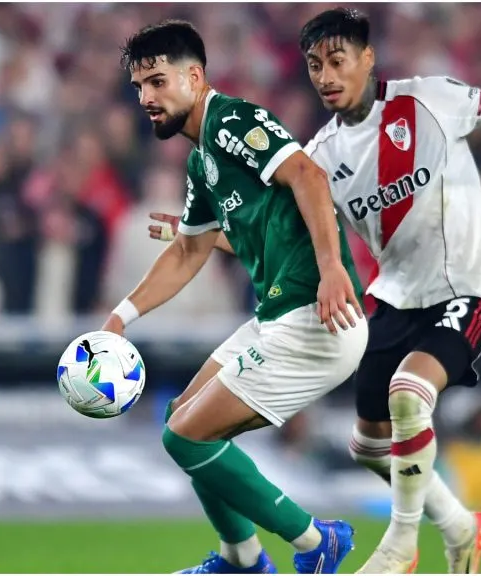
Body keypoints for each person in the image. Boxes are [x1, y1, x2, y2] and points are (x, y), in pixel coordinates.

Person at [149, 8, 481, 574]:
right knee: (368, 446)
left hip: (467, 290)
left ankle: (400, 548)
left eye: (338, 61)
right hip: (394, 298)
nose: (326, 76)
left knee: (409, 394)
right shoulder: (321, 155)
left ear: (368, 58)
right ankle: (462, 525)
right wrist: (201, 237)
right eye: (314, 66)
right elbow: (279, 240)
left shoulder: (433, 99)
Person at [101, 20, 368, 575]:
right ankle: (241, 558)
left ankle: (317, 540)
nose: (146, 98)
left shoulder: (233, 122)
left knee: (184, 438)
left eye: (156, 81)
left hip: (316, 316)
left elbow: (310, 178)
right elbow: (187, 252)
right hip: (278, 316)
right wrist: (120, 319)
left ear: (194, 77)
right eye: (138, 87)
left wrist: (331, 270)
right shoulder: (203, 163)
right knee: (181, 418)